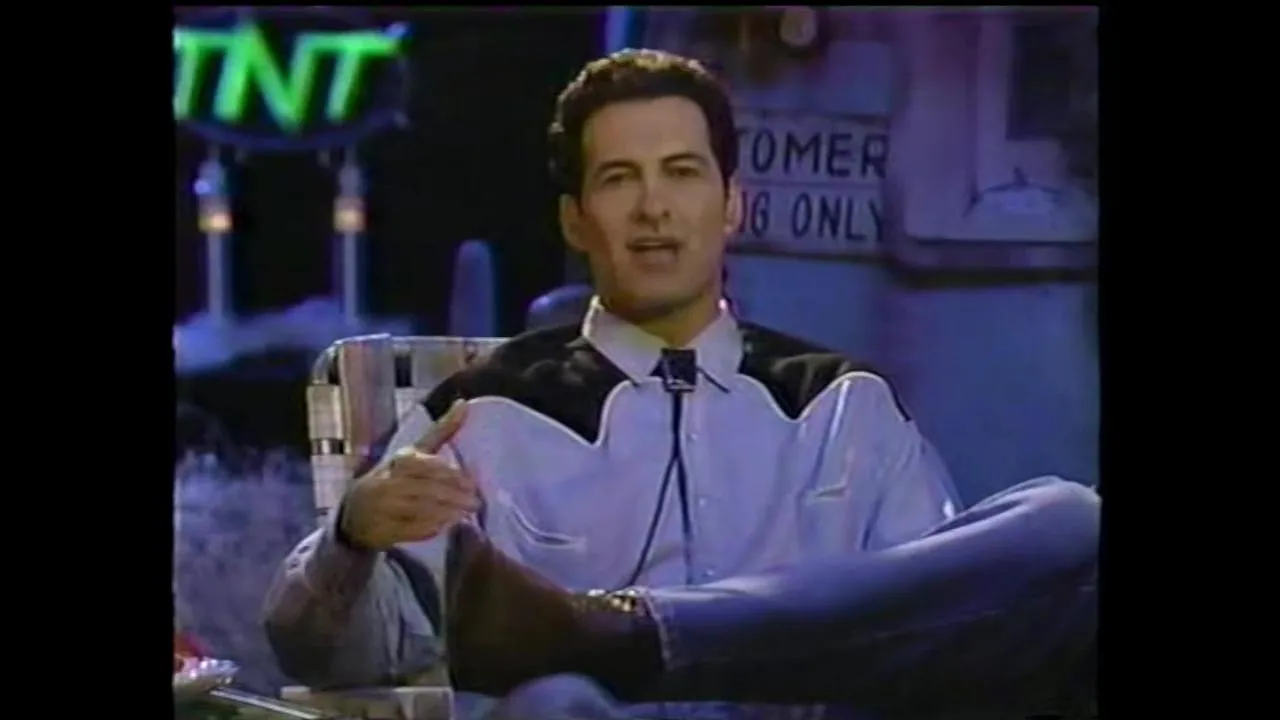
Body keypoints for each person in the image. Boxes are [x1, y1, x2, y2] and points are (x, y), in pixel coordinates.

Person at [264, 49, 1098, 720]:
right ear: (574, 219)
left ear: (732, 204)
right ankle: (594, 651)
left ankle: (611, 634)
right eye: (619, 178)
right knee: (554, 701)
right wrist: (350, 540)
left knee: (1072, 519)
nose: (653, 207)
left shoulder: (846, 405)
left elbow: (942, 629)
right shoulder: (479, 413)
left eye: (682, 172)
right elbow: (331, 662)